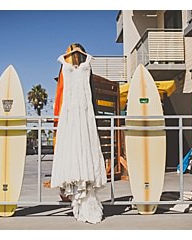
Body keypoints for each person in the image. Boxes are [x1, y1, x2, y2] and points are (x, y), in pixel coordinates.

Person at [50, 43, 107, 224]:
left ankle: (84, 205)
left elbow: (61, 94)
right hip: (75, 116)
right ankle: (81, 204)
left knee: (81, 154)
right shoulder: (67, 67)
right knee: (76, 155)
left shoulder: (80, 66)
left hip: (81, 116)